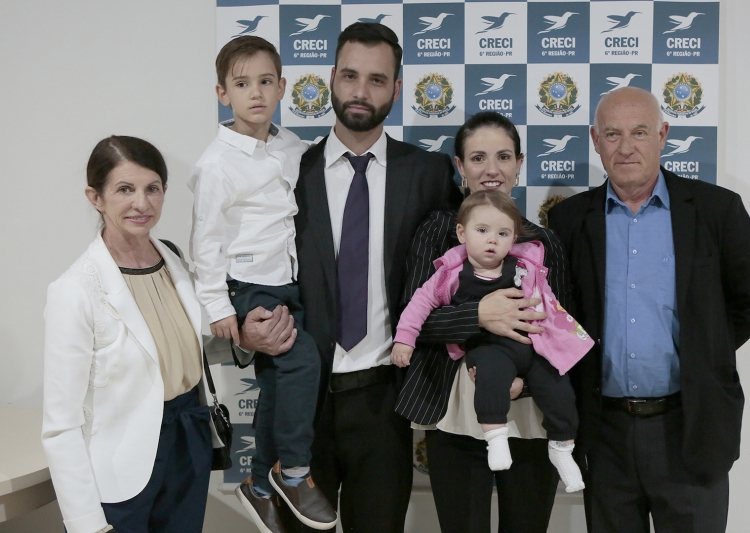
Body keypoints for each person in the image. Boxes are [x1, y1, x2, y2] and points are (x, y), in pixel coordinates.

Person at [235, 22, 461, 533]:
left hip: (385, 399)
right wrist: (245, 332)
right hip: (300, 399)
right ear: (332, 77)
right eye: (351, 76)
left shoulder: (428, 173)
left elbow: (455, 275)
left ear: (396, 89)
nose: (361, 91)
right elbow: (243, 260)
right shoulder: (287, 169)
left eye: (377, 80)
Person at [548, 86, 750, 533]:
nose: (626, 147)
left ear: (663, 135)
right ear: (595, 140)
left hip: (690, 427)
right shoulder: (569, 220)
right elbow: (559, 317)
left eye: (639, 132)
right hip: (604, 432)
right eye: (612, 134)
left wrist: (703, 346)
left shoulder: (716, 209)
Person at [394, 111, 572, 533]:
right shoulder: (438, 231)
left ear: (519, 164)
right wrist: (479, 315)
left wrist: (524, 384)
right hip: (453, 410)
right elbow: (415, 321)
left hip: (529, 413)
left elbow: (561, 331)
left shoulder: (543, 242)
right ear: (460, 166)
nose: (491, 170)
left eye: (503, 157)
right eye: (478, 158)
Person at [187, 36, 336, 532]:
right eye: (242, 83)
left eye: (266, 81)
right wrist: (218, 307)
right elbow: (205, 240)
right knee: (303, 360)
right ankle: (294, 472)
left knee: (278, 381)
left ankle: (257, 483)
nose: (255, 92)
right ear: (222, 93)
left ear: (282, 87)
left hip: (287, 281)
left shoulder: (291, 146)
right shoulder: (216, 164)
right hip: (247, 284)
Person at [42, 136, 224, 533]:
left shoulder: (174, 260)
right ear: (95, 197)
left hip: (188, 440)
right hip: (120, 467)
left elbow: (181, 346)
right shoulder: (74, 290)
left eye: (152, 188)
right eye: (125, 189)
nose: (142, 203)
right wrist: (86, 523)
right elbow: (60, 423)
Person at [391, 190, 591, 490]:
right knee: (491, 378)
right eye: (482, 231)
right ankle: (496, 438)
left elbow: (550, 302)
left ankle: (561, 447)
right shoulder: (451, 274)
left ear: (514, 239)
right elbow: (419, 305)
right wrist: (404, 340)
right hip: (489, 348)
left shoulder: (525, 268)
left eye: (502, 234)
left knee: (559, 389)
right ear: (462, 233)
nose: (492, 240)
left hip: (533, 348)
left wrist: (557, 337)